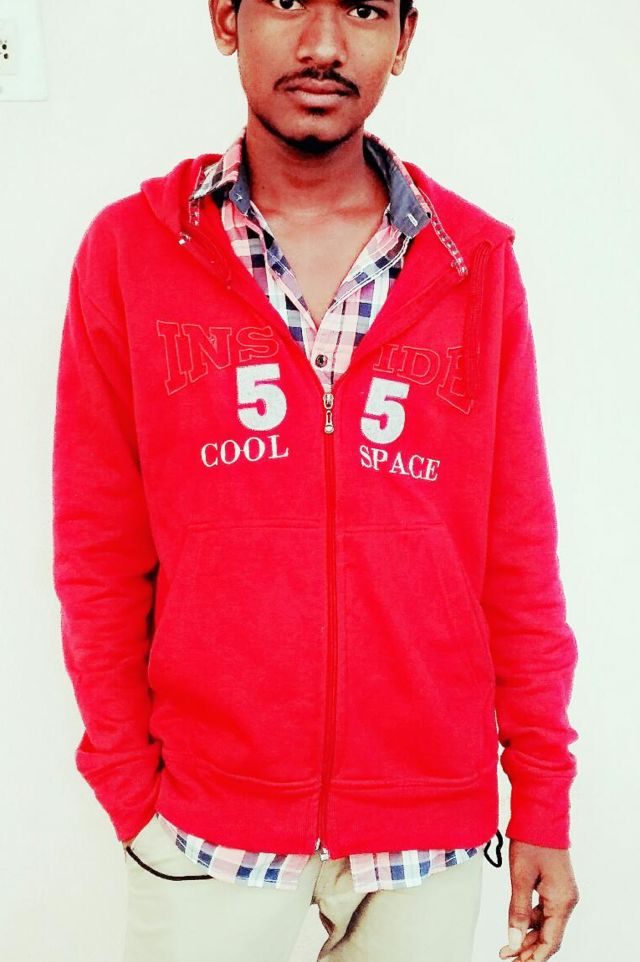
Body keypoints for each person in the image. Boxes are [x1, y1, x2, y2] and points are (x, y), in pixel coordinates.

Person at [51, 0, 580, 959]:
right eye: (289, 1)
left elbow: (517, 558)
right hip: (206, 830)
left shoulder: (472, 264)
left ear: (404, 38)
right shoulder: (133, 251)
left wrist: (542, 796)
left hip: (428, 833)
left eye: (364, 9)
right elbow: (98, 550)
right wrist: (130, 791)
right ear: (227, 18)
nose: (324, 45)